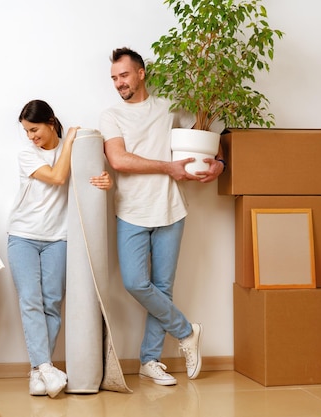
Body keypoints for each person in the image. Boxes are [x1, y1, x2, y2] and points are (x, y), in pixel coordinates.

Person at [99, 47, 225, 386]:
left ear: (141, 73)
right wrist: (167, 167)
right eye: (114, 78)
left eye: (123, 75)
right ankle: (186, 331)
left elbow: (207, 133)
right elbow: (120, 160)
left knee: (163, 288)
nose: (118, 83)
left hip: (171, 208)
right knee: (135, 283)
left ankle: (149, 361)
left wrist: (219, 162)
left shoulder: (170, 106)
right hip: (130, 211)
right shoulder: (111, 115)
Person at [8, 99, 112, 398]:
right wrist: (68, 142)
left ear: (50, 122)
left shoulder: (76, 152)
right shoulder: (27, 155)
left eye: (34, 129)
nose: (31, 137)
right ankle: (44, 366)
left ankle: (39, 372)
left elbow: (88, 180)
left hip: (58, 239)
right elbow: (57, 177)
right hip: (23, 236)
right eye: (27, 131)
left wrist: (105, 180)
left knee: (52, 304)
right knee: (30, 300)